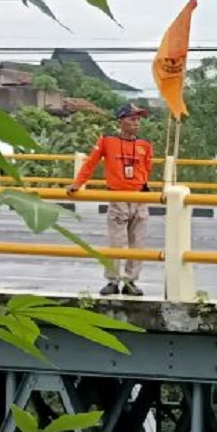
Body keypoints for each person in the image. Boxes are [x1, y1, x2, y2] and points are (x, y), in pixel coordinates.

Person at [66, 103, 154, 296]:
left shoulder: (145, 145)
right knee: (116, 242)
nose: (136, 123)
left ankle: (131, 281)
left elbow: (147, 168)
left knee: (137, 242)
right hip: (117, 197)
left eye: (138, 119)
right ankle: (112, 280)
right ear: (121, 121)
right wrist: (78, 183)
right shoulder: (107, 141)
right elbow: (91, 163)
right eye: (132, 119)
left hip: (139, 197)